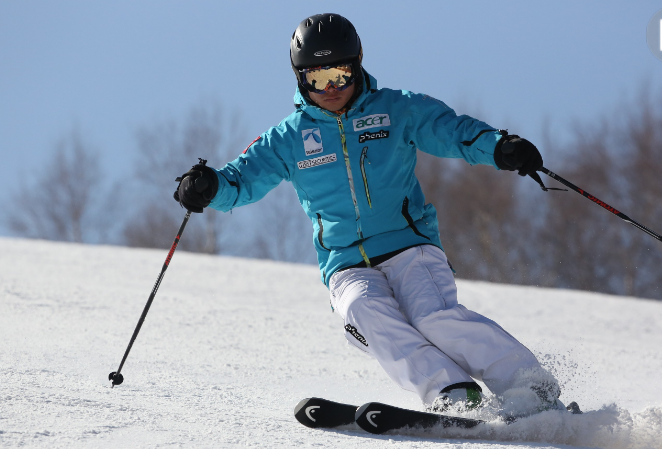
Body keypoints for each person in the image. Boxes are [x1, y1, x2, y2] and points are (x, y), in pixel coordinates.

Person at [174, 13, 562, 418]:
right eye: (317, 79)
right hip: (344, 262)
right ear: (299, 78)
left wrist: (500, 148)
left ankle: (529, 386)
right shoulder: (288, 139)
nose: (331, 89)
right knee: (363, 311)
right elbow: (241, 180)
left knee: (432, 318)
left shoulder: (397, 109)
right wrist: (208, 187)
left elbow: (451, 130)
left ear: (358, 64)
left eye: (340, 74)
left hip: (409, 245)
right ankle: (452, 391)